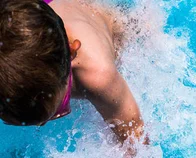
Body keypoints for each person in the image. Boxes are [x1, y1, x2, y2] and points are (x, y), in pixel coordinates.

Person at [0, 0, 144, 143]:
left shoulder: (98, 73)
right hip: (32, 12)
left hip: (105, 18)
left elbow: (136, 138)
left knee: (143, 25)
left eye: (61, 107)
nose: (46, 123)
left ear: (72, 54)